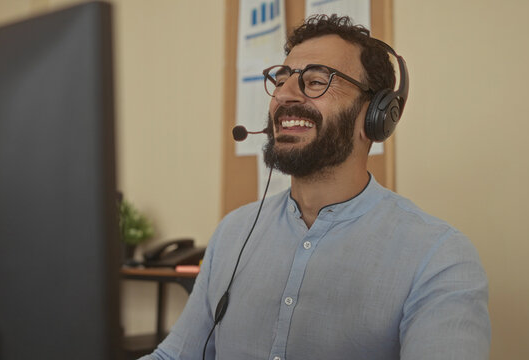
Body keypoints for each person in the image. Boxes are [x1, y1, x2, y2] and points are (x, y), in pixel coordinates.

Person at [141, 14, 490, 360]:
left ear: (375, 117)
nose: (285, 95)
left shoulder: (438, 258)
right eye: (280, 80)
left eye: (316, 81)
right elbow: (175, 355)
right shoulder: (232, 233)